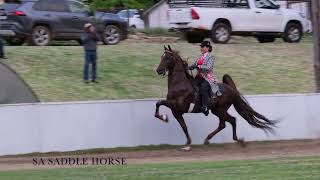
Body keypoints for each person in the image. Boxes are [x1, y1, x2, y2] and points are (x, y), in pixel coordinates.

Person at [188, 41, 222, 116]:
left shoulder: (211, 57)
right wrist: (187, 68)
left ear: (207, 48)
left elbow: (208, 67)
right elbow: (194, 65)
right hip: (198, 77)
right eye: (201, 47)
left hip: (207, 78)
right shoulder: (200, 57)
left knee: (203, 88)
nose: (201, 48)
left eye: (203, 47)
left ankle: (205, 107)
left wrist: (199, 66)